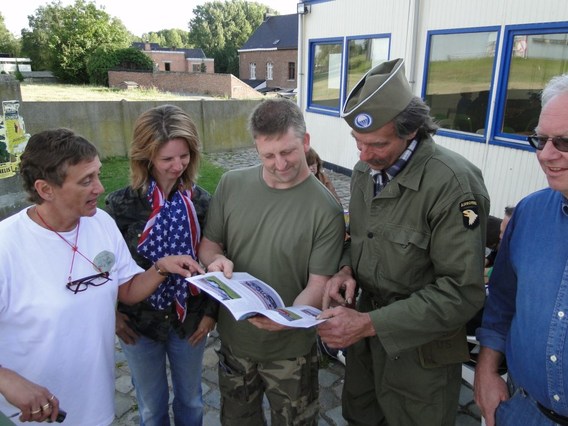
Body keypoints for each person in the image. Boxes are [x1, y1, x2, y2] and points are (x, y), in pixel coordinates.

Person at [317, 58, 490, 426]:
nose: (362, 157)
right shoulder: (367, 171)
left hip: (420, 356)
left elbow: (462, 292)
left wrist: (366, 324)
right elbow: (363, 237)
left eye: (376, 144)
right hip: (366, 346)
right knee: (361, 416)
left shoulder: (453, 185)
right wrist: (347, 267)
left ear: (411, 131)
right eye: (358, 142)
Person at [0, 128, 203, 425]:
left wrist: (161, 267)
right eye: (86, 181)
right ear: (45, 190)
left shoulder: (101, 223)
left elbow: (128, 289)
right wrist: (7, 380)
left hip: (95, 407)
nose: (99, 188)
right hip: (29, 416)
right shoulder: (6, 246)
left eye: (98, 174)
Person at [198, 98, 345, 425]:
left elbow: (318, 285)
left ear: (306, 142)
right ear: (256, 147)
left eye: (288, 152)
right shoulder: (231, 184)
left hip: (291, 353)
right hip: (236, 344)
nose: (279, 164)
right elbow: (209, 245)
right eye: (268, 155)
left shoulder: (327, 210)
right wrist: (215, 261)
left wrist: (288, 318)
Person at [105, 105, 217, 426]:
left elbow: (212, 262)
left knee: (192, 401)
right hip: (139, 325)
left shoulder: (202, 203)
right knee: (151, 408)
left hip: (190, 321)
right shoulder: (120, 206)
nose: (177, 166)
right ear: (146, 158)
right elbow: (106, 270)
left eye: (183, 156)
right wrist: (112, 314)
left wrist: (211, 314)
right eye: (167, 159)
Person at [474, 74, 568, 426]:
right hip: (524, 410)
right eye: (541, 140)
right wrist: (485, 371)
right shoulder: (529, 213)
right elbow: (500, 304)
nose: (546, 155)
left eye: (564, 141)